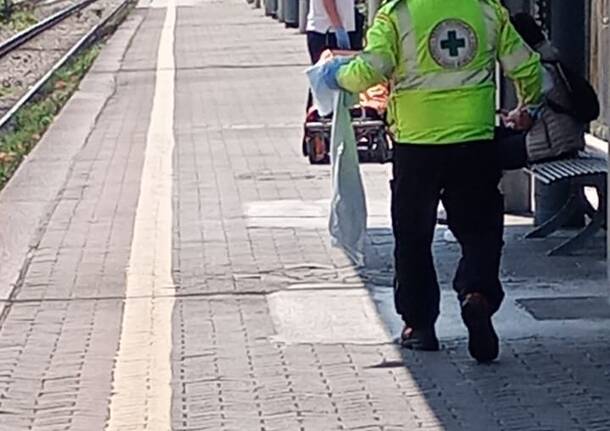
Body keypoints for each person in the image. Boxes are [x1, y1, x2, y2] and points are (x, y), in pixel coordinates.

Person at [321, 0, 543, 363]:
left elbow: (370, 71)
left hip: (416, 145)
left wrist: (335, 75)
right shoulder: (486, 10)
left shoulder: (398, 14)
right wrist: (529, 107)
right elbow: (526, 65)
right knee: (480, 231)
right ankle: (478, 296)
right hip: (474, 140)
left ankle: (420, 326)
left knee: (413, 237)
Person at [497, 12, 593, 169]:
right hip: (565, 137)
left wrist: (515, 119)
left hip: (553, 142)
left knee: (486, 154)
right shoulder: (550, 61)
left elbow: (527, 119)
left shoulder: (536, 70)